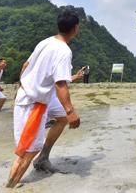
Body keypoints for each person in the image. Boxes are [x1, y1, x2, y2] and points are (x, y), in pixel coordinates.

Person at [6, 10, 81, 188]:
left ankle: (43, 159)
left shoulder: (46, 42)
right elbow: (60, 84)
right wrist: (71, 111)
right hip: (33, 102)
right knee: (28, 150)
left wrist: (22, 85)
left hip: (39, 94)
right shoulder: (64, 51)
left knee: (61, 118)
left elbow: (26, 64)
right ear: (75, 28)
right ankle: (9, 186)